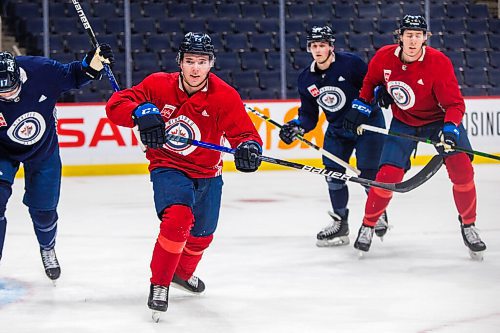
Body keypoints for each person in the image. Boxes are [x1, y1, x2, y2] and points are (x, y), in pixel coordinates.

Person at [105, 32, 263, 318]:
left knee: (202, 236)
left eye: (201, 62)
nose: (195, 68)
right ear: (179, 62)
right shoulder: (157, 85)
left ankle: (182, 274)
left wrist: (249, 149)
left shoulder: (224, 96)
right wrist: (141, 111)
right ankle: (160, 283)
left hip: (208, 173)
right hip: (168, 166)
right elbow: (116, 106)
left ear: (211, 64)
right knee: (178, 220)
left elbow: (245, 134)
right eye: (189, 61)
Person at [343, 14, 486, 260]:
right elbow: (370, 83)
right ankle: (367, 225)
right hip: (404, 123)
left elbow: (454, 104)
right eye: (408, 35)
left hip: (440, 122)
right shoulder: (384, 57)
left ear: (425, 38)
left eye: (418, 35)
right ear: (400, 36)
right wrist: (362, 105)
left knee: (463, 173)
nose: (413, 40)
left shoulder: (438, 62)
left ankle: (469, 224)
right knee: (386, 177)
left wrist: (451, 128)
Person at [0, 45, 115, 281]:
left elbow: (74, 74)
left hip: (43, 150)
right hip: (2, 152)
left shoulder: (40, 70)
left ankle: (47, 246)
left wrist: (92, 63)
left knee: (44, 210)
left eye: (11, 90)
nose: (8, 96)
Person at [279, 25, 388, 248]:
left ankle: (378, 213)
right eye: (314, 46)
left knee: (368, 173)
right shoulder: (305, 79)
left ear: (331, 46)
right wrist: (297, 126)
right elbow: (309, 116)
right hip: (338, 129)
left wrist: (361, 110)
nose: (318, 50)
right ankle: (341, 222)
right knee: (332, 174)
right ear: (309, 48)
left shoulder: (351, 64)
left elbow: (373, 89)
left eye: (322, 45)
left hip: (368, 125)